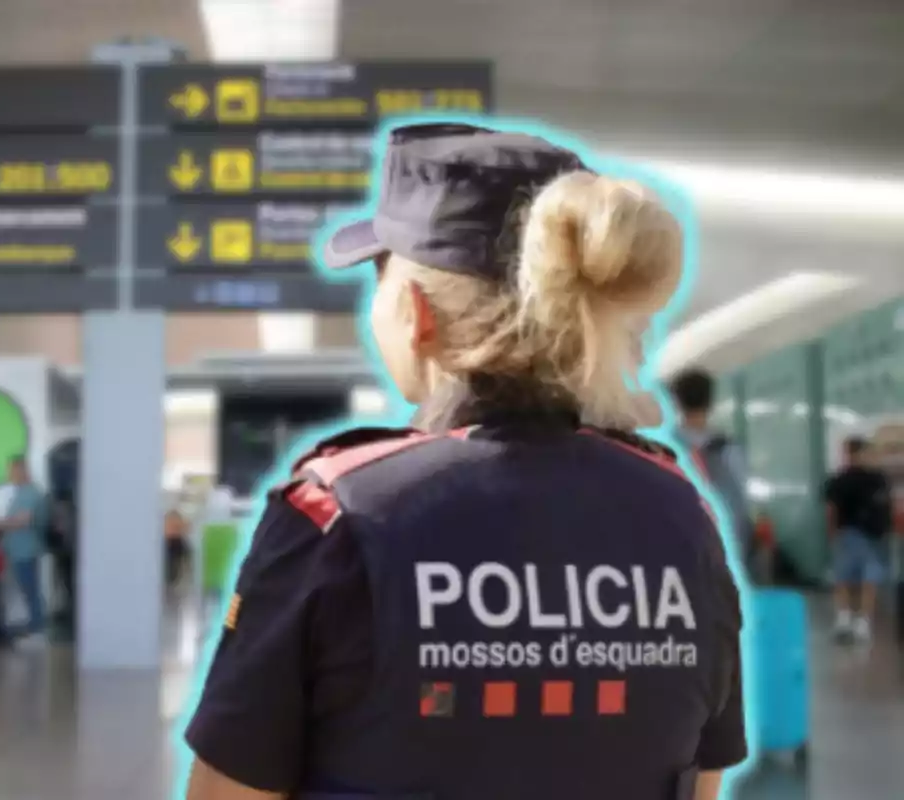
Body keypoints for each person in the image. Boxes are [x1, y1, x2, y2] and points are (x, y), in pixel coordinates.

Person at [182, 124, 746, 800]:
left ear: (416, 313)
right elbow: (700, 782)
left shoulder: (338, 518)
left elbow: (226, 793)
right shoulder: (682, 518)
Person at [669, 369, 753, 569]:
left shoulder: (666, 447)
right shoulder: (728, 448)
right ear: (710, 402)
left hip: (678, 536)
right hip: (721, 538)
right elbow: (742, 495)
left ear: (676, 402)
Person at [824, 436, 893, 642]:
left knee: (844, 577)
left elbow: (831, 510)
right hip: (872, 535)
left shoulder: (839, 480)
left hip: (848, 534)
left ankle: (845, 619)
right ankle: (862, 622)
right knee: (868, 579)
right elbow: (886, 506)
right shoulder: (877, 479)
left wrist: (832, 533)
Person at [0, 456, 48, 647]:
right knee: (26, 590)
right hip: (16, 551)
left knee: (31, 590)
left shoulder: (30, 493)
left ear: (22, 470)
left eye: (12, 471)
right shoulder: (20, 493)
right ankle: (33, 627)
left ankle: (38, 633)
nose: (10, 476)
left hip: (26, 551)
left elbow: (22, 521)